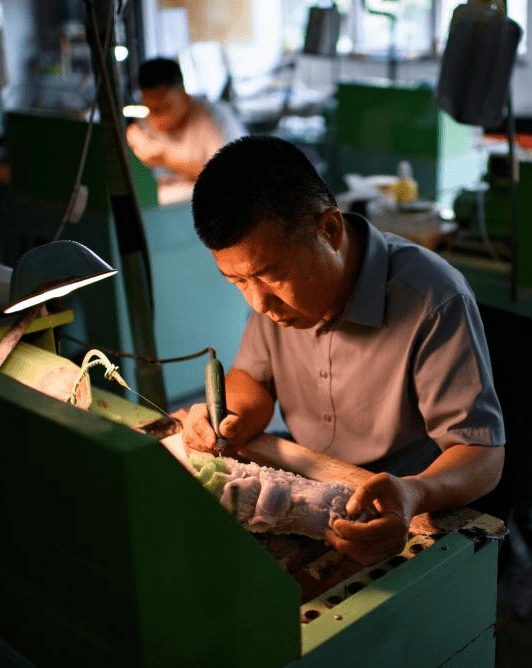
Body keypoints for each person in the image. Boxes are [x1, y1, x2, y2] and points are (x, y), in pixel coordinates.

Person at [182, 135, 506, 565]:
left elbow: (482, 453)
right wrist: (230, 415)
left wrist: (413, 493)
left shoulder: (433, 297)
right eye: (238, 282)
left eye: (270, 276)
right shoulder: (271, 292)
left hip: (396, 503)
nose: (258, 304)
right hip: (310, 481)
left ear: (329, 230)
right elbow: (252, 378)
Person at [126, 57, 242, 197]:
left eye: (166, 106)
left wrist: (166, 160)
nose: (158, 117)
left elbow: (228, 176)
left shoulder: (216, 119)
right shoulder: (143, 129)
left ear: (184, 96)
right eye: (152, 109)